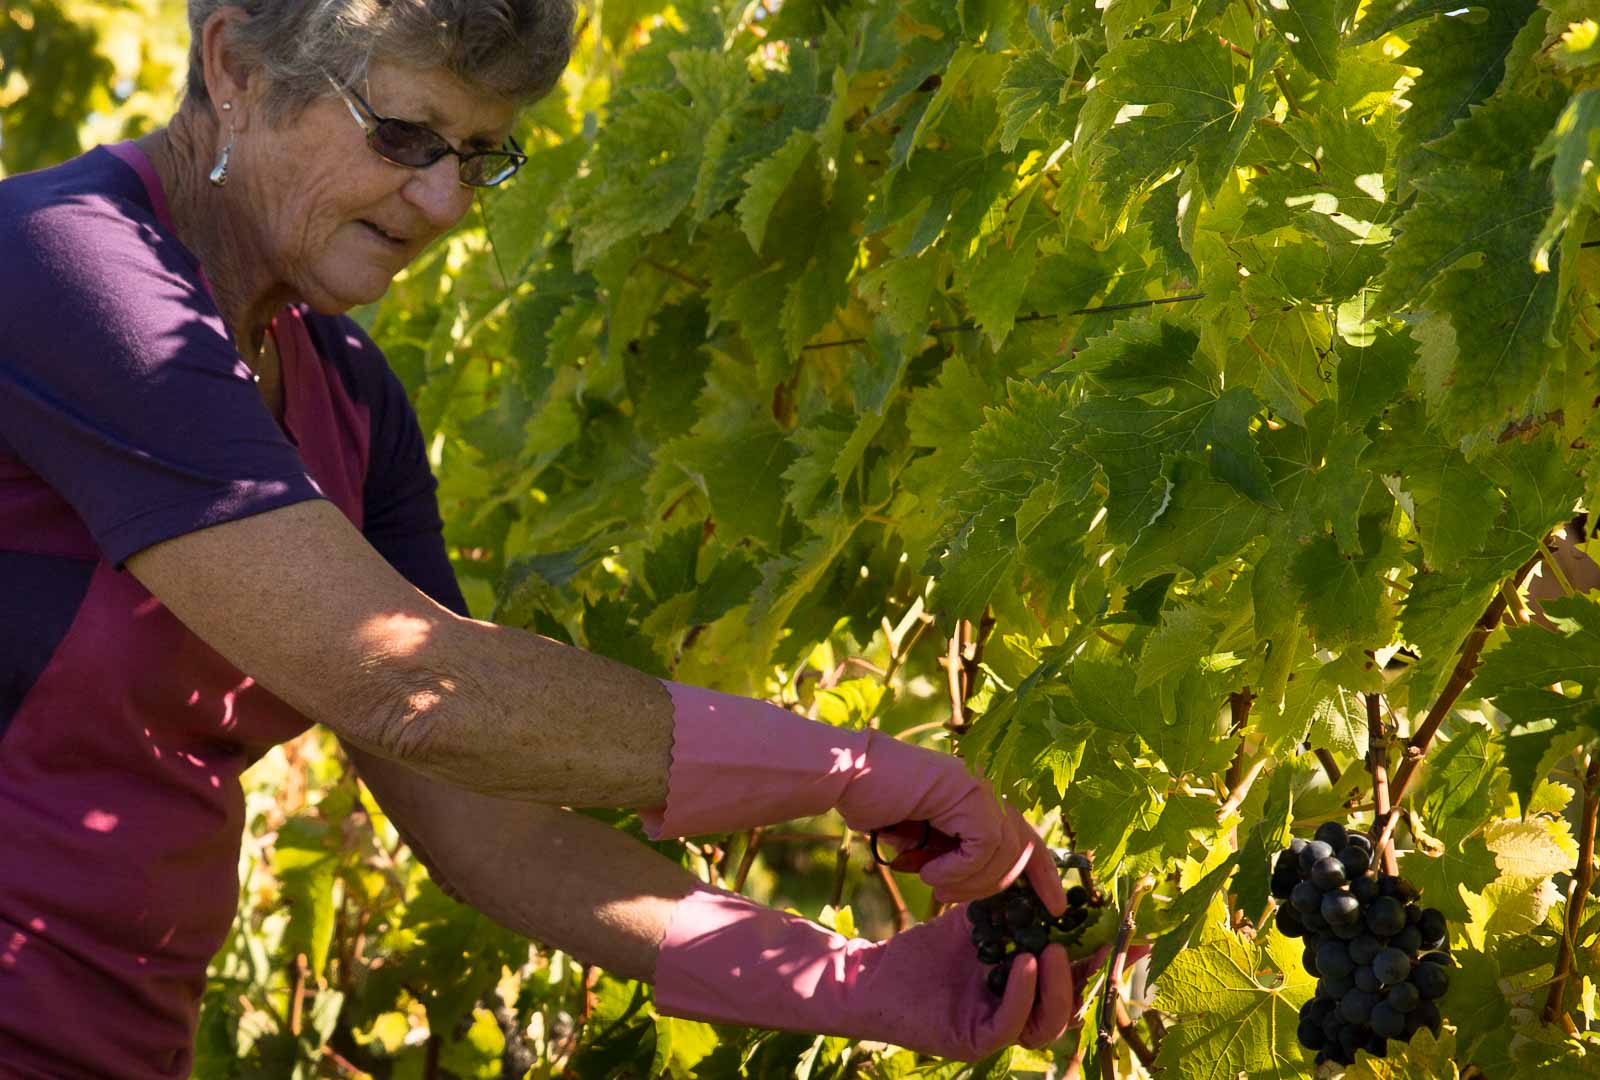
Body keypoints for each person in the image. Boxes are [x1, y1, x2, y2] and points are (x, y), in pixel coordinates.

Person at [0, 2, 1099, 1075]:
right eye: (405, 134)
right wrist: (849, 769)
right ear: (234, 66)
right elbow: (411, 688)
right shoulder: (60, 267)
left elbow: (486, 827)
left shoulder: (351, 403)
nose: (442, 201)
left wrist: (850, 981)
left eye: (480, 155)